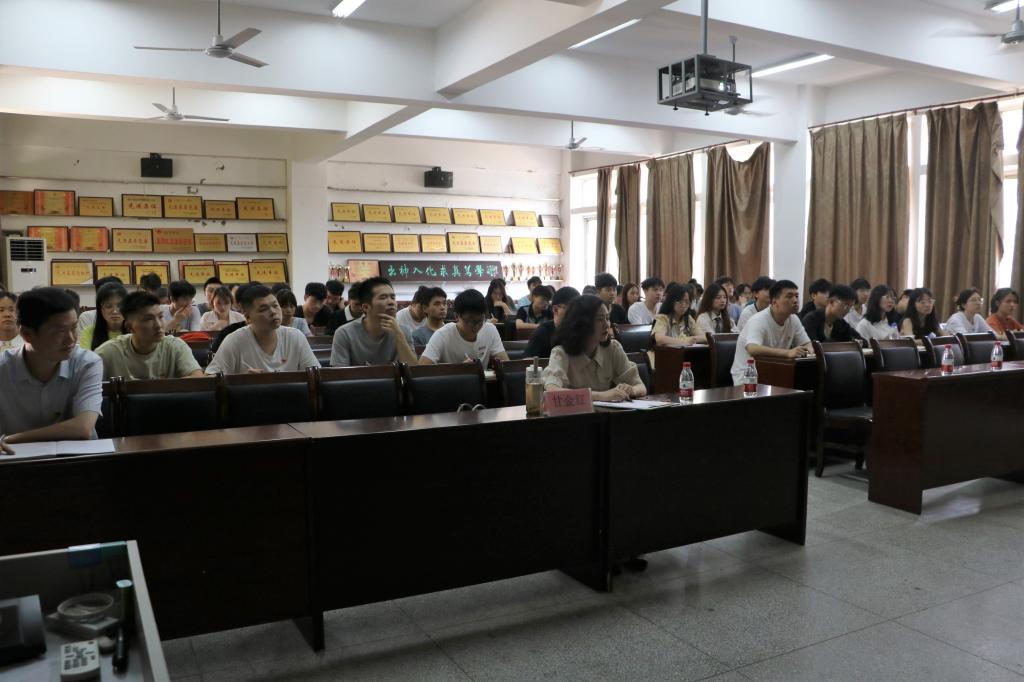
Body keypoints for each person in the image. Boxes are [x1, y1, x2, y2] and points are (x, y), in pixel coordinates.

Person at [0, 288, 102, 454]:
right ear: (27, 334)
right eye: (60, 331)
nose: (71, 338)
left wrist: (12, 439)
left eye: (74, 328)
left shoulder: (87, 363)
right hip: (15, 463)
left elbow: (83, 427)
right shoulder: (3, 369)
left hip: (78, 461)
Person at [543, 294, 647, 402]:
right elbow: (551, 391)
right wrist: (601, 396)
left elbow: (641, 387)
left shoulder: (613, 348)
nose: (606, 325)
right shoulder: (561, 352)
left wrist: (631, 390)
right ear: (582, 323)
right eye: (599, 319)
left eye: (607, 318)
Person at [206, 285, 320, 374]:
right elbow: (211, 377)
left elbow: (317, 374)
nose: (273, 312)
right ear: (248, 317)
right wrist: (239, 381)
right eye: (263, 309)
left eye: (275, 306)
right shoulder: (234, 341)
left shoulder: (296, 337)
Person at [95, 291, 203, 380]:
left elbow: (198, 379)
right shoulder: (108, 353)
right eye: (148, 319)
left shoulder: (175, 346)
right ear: (130, 327)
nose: (158, 325)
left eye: (160, 317)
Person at [731, 280, 812, 386]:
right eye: (789, 296)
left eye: (796, 296)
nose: (795, 300)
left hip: (775, 373)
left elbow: (806, 343)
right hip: (749, 377)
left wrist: (810, 351)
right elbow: (752, 348)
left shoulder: (793, 319)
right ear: (774, 302)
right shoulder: (759, 320)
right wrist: (787, 353)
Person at [330, 277, 417, 367]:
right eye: (383, 298)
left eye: (393, 297)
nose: (391, 302)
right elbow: (339, 373)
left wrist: (398, 335)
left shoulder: (403, 331)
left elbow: (414, 369)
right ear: (366, 307)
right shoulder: (344, 333)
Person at [420, 289, 509, 367]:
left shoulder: (490, 330)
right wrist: (460, 370)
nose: (476, 327)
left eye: (480, 321)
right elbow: (422, 369)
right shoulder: (442, 335)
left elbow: (505, 364)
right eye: (471, 322)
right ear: (457, 316)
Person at [524, 286, 580, 359]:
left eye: (579, 310)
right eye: (571, 309)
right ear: (555, 309)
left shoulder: (581, 330)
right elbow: (528, 362)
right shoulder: (541, 333)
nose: (576, 314)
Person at [80, 281, 127, 350]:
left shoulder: (136, 331)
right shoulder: (89, 332)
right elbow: (85, 356)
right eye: (108, 306)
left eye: (120, 306)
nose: (115, 311)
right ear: (100, 309)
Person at [652, 283, 700, 349]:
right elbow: (659, 339)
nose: (683, 305)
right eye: (679, 301)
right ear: (672, 301)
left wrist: (688, 339)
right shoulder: (662, 318)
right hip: (662, 354)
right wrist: (684, 341)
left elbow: (705, 337)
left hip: (682, 354)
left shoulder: (688, 319)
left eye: (687, 302)